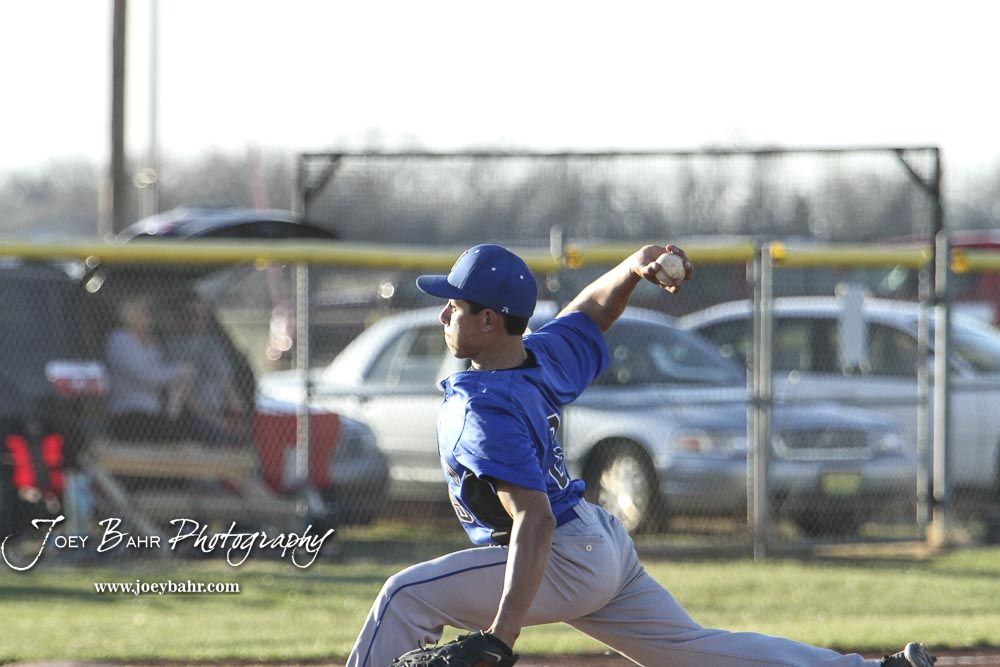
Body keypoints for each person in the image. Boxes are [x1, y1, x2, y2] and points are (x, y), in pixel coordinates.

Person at [345, 243, 936, 667]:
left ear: (491, 320)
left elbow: (533, 519)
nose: (445, 312)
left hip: (558, 555)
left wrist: (500, 637)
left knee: (404, 596)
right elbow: (591, 312)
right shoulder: (540, 356)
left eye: (457, 305)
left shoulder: (483, 407)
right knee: (694, 652)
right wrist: (632, 267)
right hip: (601, 543)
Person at [105, 295, 196, 442]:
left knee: (185, 425)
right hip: (129, 414)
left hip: (154, 413)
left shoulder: (152, 344)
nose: (151, 318)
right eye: (145, 313)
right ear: (132, 315)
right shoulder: (120, 340)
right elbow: (145, 376)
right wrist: (180, 370)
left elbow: (162, 376)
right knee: (168, 433)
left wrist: (180, 376)